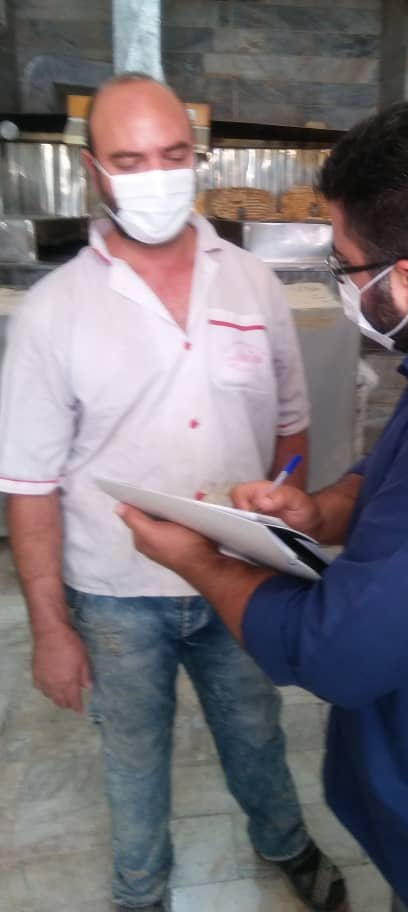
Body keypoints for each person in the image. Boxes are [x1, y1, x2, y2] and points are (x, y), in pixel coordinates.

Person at [119, 97, 408, 912]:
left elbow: (334, 652)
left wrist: (199, 559)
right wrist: (321, 511)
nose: (343, 284)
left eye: (345, 267)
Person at [0, 73, 347, 912]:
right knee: (133, 757)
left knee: (254, 730)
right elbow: (30, 485)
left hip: (234, 572)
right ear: (93, 170)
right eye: (128, 160)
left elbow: (291, 428)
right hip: (115, 593)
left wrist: (280, 524)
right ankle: (141, 890)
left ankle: (283, 840)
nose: (155, 176)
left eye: (172, 154)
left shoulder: (253, 285)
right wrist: (50, 627)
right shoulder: (53, 313)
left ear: (197, 157)